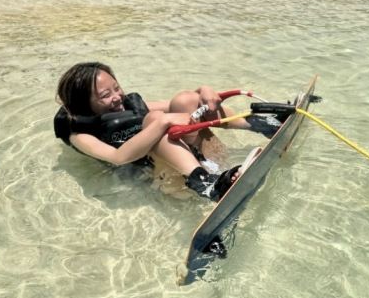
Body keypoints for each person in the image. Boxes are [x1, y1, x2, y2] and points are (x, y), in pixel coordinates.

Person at [53, 62, 282, 201]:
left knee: (184, 99)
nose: (117, 97)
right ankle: (207, 184)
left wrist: (204, 91)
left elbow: (189, 102)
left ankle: (262, 124)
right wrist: (163, 122)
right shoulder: (80, 135)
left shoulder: (128, 107)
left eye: (117, 88)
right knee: (156, 121)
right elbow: (118, 157)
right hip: (170, 181)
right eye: (105, 95)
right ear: (84, 106)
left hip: (211, 159)